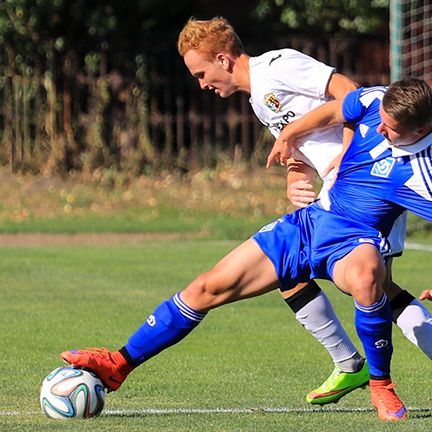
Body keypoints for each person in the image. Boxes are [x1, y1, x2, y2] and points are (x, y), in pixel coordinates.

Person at [61, 78, 432, 421]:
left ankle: (380, 383)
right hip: (310, 224)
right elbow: (336, 110)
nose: (380, 130)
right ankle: (118, 364)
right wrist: (289, 134)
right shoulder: (373, 101)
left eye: (391, 129)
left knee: (370, 277)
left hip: (354, 241)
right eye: (380, 121)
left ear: (420, 130)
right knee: (205, 287)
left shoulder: (423, 172)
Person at [175, 17, 432, 404]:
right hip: (335, 196)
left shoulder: (277, 66)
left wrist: (348, 156)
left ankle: (356, 368)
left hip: (368, 190)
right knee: (293, 272)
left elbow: (347, 93)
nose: (201, 84)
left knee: (376, 288)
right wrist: (295, 171)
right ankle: (348, 364)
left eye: (201, 73)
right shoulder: (259, 96)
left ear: (223, 60)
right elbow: (301, 137)